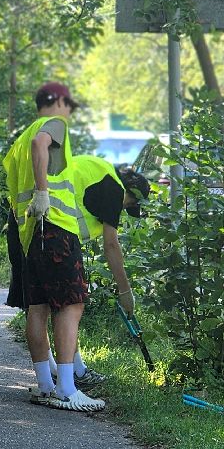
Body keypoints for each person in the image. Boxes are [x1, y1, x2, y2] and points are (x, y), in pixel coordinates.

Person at [3, 82, 102, 412]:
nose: (69, 112)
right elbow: (40, 144)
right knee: (71, 305)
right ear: (58, 101)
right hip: (56, 226)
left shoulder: (20, 139)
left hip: (31, 233)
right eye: (68, 104)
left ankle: (45, 385)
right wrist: (43, 193)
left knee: (38, 307)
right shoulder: (53, 124)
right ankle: (67, 389)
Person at [63, 154, 151, 381]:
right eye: (129, 205)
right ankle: (73, 374)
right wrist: (125, 291)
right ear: (130, 192)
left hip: (42, 223)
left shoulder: (103, 174)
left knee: (53, 305)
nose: (123, 209)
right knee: (71, 304)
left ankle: (62, 370)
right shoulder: (114, 189)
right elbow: (111, 244)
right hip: (59, 232)